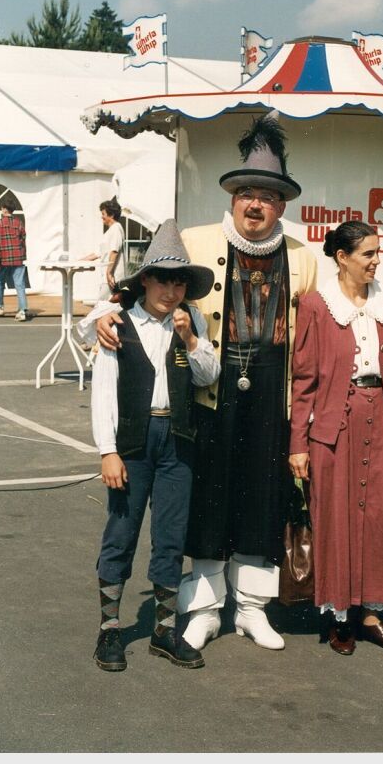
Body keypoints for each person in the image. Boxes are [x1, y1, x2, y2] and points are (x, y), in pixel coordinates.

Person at [79, 112, 317, 653]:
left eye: (267, 195)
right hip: (208, 396)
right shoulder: (198, 239)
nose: (255, 204)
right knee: (206, 505)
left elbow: (310, 338)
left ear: (282, 204)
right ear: (232, 197)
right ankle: (205, 610)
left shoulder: (302, 259)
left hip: (270, 397)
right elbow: (133, 295)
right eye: (246, 193)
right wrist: (98, 317)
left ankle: (253, 610)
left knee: (261, 499)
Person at [290, 220, 383, 655]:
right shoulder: (315, 306)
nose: (376, 261)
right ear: (342, 258)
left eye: (377, 252)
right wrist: (297, 443)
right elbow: (304, 380)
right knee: (336, 520)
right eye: (367, 254)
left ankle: (371, 615)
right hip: (335, 428)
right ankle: (339, 616)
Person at [91, 219, 220, 672]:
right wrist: (108, 449)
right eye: (162, 278)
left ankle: (164, 631)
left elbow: (208, 375)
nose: (170, 289)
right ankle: (109, 630)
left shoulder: (191, 321)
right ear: (144, 280)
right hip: (133, 439)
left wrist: (189, 336)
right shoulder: (119, 325)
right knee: (122, 532)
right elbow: (104, 389)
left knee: (170, 536)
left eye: (179, 280)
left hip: (178, 439)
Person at [0, 201, 28, 321]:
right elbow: (23, 239)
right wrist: (22, 254)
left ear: (4, 210)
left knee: (0, 283)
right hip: (18, 258)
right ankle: (22, 311)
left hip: (4, 259)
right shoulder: (19, 222)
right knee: (20, 285)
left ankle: (0, 307)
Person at [82, 199, 126, 299]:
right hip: (106, 277)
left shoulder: (116, 228)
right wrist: (80, 261)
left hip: (112, 277)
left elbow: (114, 252)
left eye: (103, 213)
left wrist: (109, 273)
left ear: (111, 215)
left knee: (102, 305)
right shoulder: (110, 231)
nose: (102, 216)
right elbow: (98, 253)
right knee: (109, 306)